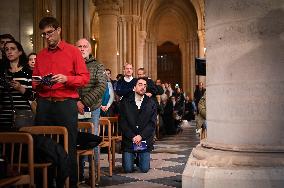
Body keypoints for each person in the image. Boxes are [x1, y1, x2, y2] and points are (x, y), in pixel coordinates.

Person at [32, 17, 90, 187]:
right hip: (44, 103)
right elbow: (34, 83)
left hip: (65, 103)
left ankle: (70, 183)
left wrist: (66, 79)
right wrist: (40, 83)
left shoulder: (72, 51)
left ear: (59, 30)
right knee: (43, 145)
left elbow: (84, 78)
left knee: (68, 145)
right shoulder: (41, 55)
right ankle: (46, 182)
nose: (47, 37)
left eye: (49, 32)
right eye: (44, 34)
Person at [75, 38, 106, 181]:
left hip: (92, 108)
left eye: (85, 46)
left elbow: (101, 86)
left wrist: (84, 101)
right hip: (75, 109)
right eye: (79, 46)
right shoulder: (72, 64)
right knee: (77, 141)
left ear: (90, 49)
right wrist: (76, 102)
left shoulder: (98, 65)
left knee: (93, 141)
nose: (82, 48)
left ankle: (94, 175)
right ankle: (79, 174)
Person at [119, 77, 157, 173]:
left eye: (145, 85)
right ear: (134, 87)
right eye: (140, 84)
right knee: (128, 169)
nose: (143, 87)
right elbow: (123, 122)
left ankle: (139, 156)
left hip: (143, 140)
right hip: (129, 140)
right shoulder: (125, 102)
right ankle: (132, 155)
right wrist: (132, 136)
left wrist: (141, 136)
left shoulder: (151, 102)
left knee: (144, 169)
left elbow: (152, 124)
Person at [0, 41, 34, 130]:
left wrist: (20, 88)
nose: (9, 52)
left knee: (24, 142)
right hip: (4, 116)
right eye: (6, 49)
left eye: (13, 49)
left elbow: (33, 96)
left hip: (23, 116)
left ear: (20, 52)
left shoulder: (28, 73)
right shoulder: (2, 72)